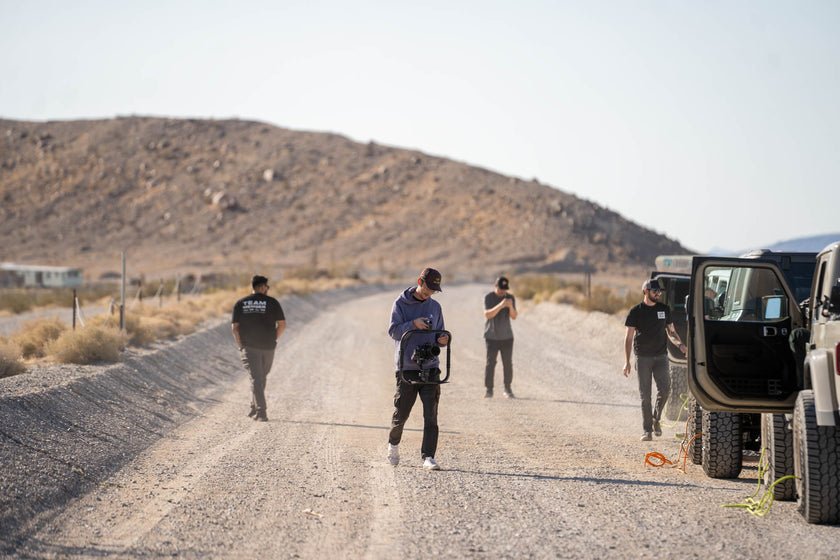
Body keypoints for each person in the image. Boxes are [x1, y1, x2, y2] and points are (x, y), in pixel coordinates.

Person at [386, 267, 450, 470]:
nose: (429, 293)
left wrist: (442, 340)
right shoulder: (400, 303)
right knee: (402, 413)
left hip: (431, 366)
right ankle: (393, 445)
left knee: (431, 415)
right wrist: (412, 324)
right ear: (419, 282)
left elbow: (439, 334)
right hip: (407, 367)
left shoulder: (435, 307)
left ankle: (428, 456)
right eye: (427, 288)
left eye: (433, 290)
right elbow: (393, 331)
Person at [622, 279, 686, 441]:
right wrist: (627, 361)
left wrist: (681, 345)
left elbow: (671, 332)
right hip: (643, 358)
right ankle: (647, 431)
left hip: (661, 357)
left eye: (659, 291)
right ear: (646, 292)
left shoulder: (664, 309)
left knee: (665, 390)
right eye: (655, 291)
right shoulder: (635, 311)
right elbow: (628, 338)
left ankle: (656, 418)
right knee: (645, 396)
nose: (658, 294)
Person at [231, 275, 286, 422]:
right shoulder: (273, 302)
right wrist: (273, 338)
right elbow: (282, 324)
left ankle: (256, 407)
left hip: (249, 347)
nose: (267, 289)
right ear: (262, 287)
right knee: (259, 378)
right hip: (268, 347)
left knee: (258, 378)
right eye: (267, 287)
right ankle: (261, 411)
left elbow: (235, 328)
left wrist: (241, 346)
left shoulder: (240, 303)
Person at [483, 275, 518, 398]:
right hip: (491, 336)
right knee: (490, 363)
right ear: (495, 286)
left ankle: (507, 389)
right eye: (500, 289)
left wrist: (510, 306)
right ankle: (489, 390)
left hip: (507, 337)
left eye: (505, 289)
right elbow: (488, 314)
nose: (503, 291)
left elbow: (514, 316)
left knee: (508, 364)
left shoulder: (510, 298)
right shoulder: (489, 297)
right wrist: (501, 305)